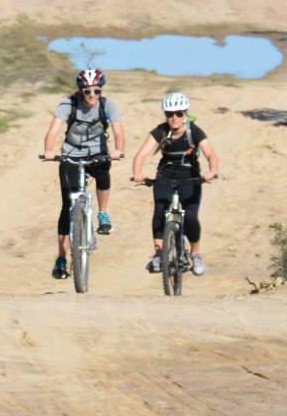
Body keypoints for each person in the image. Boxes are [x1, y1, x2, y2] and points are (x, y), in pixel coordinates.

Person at [38, 68, 125, 281]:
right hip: (71, 153)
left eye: (96, 91)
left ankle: (103, 213)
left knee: (103, 173)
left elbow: (118, 132)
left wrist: (118, 150)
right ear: (80, 91)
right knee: (67, 206)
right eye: (87, 91)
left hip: (98, 152)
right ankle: (61, 258)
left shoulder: (107, 105)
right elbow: (53, 131)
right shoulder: (68, 104)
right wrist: (49, 151)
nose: (92, 96)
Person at [129, 90, 220, 276]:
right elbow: (141, 155)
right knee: (160, 212)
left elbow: (210, 154)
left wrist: (211, 171)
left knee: (191, 217)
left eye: (178, 113)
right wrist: (137, 173)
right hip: (165, 176)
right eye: (169, 114)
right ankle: (158, 254)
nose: (174, 118)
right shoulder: (160, 131)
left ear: (185, 113)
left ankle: (195, 254)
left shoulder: (194, 131)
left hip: (190, 177)